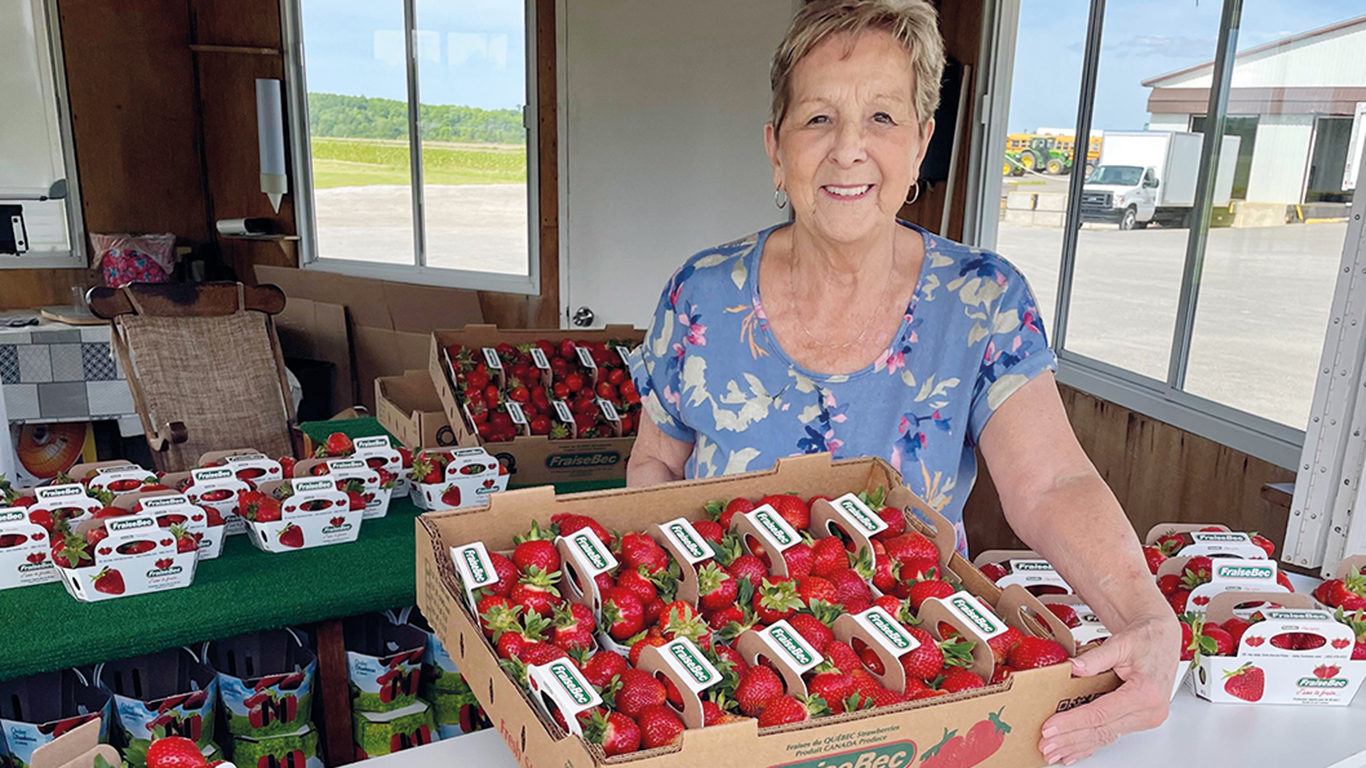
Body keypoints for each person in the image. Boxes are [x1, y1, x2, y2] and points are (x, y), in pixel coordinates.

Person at [626, 0, 1178, 763]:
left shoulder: (982, 298)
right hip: (720, 686)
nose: (849, 150)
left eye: (883, 117)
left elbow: (1049, 481)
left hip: (910, 689)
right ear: (775, 149)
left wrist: (1146, 616)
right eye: (818, 119)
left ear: (921, 144)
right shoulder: (702, 294)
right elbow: (657, 465)